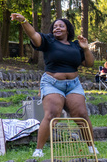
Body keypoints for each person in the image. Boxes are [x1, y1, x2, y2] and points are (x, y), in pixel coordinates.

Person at [10, 13, 98, 157]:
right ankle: (38, 150)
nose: (57, 28)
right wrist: (23, 21)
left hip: (73, 85)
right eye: (55, 26)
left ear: (67, 30)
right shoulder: (48, 40)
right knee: (51, 114)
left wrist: (86, 48)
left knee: (81, 114)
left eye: (61, 26)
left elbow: (89, 64)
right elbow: (34, 35)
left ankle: (91, 147)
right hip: (52, 83)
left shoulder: (76, 45)